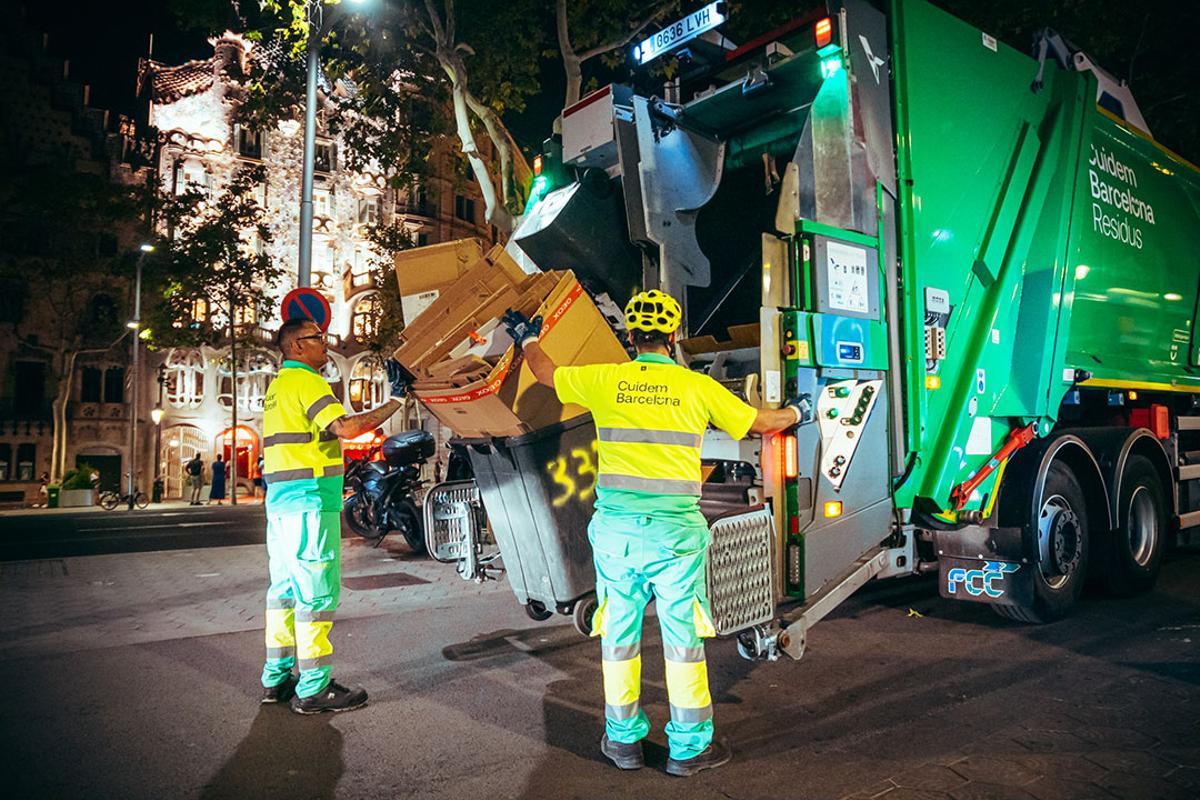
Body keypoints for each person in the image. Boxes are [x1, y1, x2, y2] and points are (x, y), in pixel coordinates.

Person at [502, 289, 806, 777]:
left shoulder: (605, 380)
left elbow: (544, 372)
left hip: (617, 535)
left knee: (618, 638)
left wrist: (528, 337)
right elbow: (757, 424)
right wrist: (797, 413)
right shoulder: (695, 388)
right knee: (682, 642)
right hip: (675, 538)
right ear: (673, 336)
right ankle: (689, 748)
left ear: (630, 335)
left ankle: (622, 742)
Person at [259, 318, 412, 714]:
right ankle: (314, 688)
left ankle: (276, 679)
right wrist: (396, 399)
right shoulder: (308, 381)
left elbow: (315, 434)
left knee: (284, 593)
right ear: (295, 347)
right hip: (310, 501)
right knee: (316, 593)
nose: (324, 344)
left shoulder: (277, 388)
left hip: (281, 504)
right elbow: (345, 427)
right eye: (316, 338)